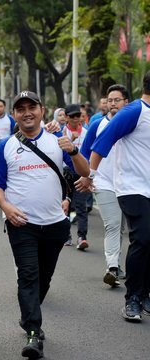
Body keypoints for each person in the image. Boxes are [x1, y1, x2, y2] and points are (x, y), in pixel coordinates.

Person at [0, 91, 89, 359]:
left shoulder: (58, 141)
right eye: (20, 108)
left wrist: (74, 149)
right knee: (29, 275)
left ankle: (29, 314)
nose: (26, 113)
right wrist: (7, 208)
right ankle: (34, 332)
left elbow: (84, 172)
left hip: (55, 225)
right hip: (22, 224)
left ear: (41, 110)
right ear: (14, 115)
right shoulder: (4, 146)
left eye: (31, 107)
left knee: (43, 278)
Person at [78, 72, 150, 322]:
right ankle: (132, 298)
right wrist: (90, 175)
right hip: (132, 187)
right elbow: (102, 143)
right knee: (142, 237)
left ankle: (145, 291)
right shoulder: (134, 112)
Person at [80, 84, 129, 287]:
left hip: (128, 184)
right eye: (110, 100)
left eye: (117, 100)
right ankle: (112, 268)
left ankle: (117, 263)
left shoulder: (133, 123)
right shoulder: (97, 124)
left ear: (126, 102)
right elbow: (83, 152)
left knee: (121, 228)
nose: (113, 103)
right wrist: (87, 176)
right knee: (112, 224)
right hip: (102, 181)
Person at [62, 104, 89, 250]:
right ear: (66, 117)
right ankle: (66, 235)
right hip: (65, 174)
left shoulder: (86, 132)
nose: (75, 119)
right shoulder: (60, 133)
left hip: (81, 174)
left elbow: (89, 154)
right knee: (64, 206)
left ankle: (82, 237)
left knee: (80, 205)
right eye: (71, 116)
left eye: (77, 116)